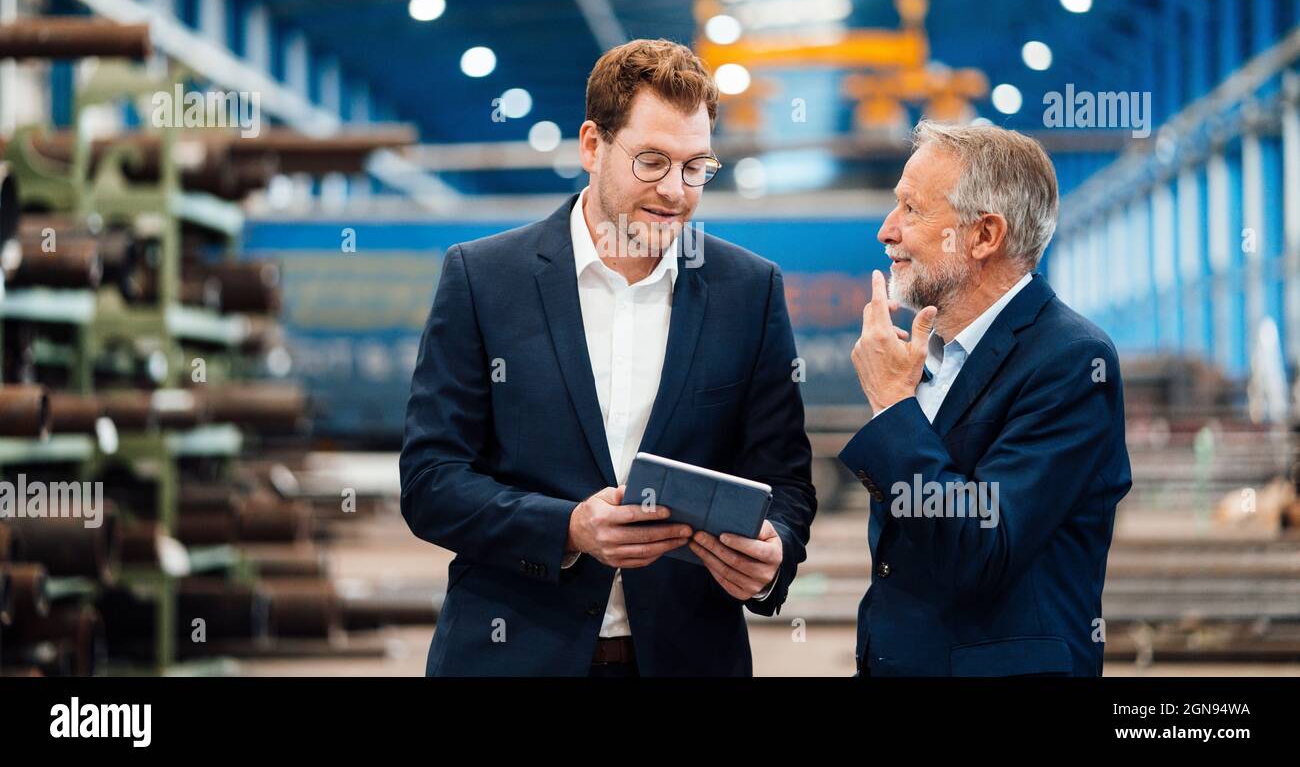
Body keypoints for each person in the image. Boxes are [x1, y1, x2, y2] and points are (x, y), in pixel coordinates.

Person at [400, 38, 816, 676]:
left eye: (696, 167)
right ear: (592, 145)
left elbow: (785, 482)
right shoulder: (484, 280)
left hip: (686, 658)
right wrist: (566, 527)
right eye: (652, 161)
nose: (675, 191)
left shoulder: (748, 292)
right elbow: (431, 482)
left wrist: (773, 554)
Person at [842, 120, 1132, 676]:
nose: (886, 230)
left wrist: (893, 408)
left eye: (910, 209)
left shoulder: (1072, 363)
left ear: (983, 236)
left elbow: (981, 548)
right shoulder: (933, 357)